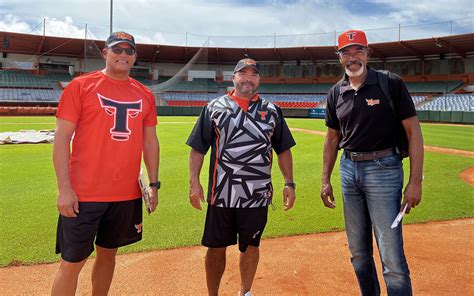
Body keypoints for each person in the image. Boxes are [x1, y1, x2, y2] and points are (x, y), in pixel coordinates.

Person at [51, 31, 160, 295]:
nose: (123, 55)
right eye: (117, 49)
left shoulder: (145, 94)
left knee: (108, 256)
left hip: (125, 194)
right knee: (72, 262)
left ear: (135, 57)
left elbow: (150, 142)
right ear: (105, 53)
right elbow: (62, 138)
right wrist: (64, 188)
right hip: (84, 193)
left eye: (129, 51)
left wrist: (154, 184)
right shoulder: (81, 86)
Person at [320, 29, 424, 296]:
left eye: (358, 50)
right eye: (346, 52)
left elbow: (414, 132)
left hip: (384, 170)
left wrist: (414, 182)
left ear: (367, 53)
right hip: (348, 169)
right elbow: (332, 140)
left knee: (391, 255)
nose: (352, 57)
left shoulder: (390, 83)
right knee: (358, 253)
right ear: (339, 58)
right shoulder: (336, 93)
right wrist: (325, 179)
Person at [187, 58, 296, 296]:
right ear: (233, 77)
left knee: (251, 245)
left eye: (253, 74)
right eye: (243, 73)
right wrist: (194, 183)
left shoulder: (272, 111)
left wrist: (289, 183)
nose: (248, 78)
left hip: (256, 195)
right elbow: (198, 149)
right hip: (221, 194)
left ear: (259, 79)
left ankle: (245, 291)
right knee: (216, 248)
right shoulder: (214, 107)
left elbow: (283, 150)